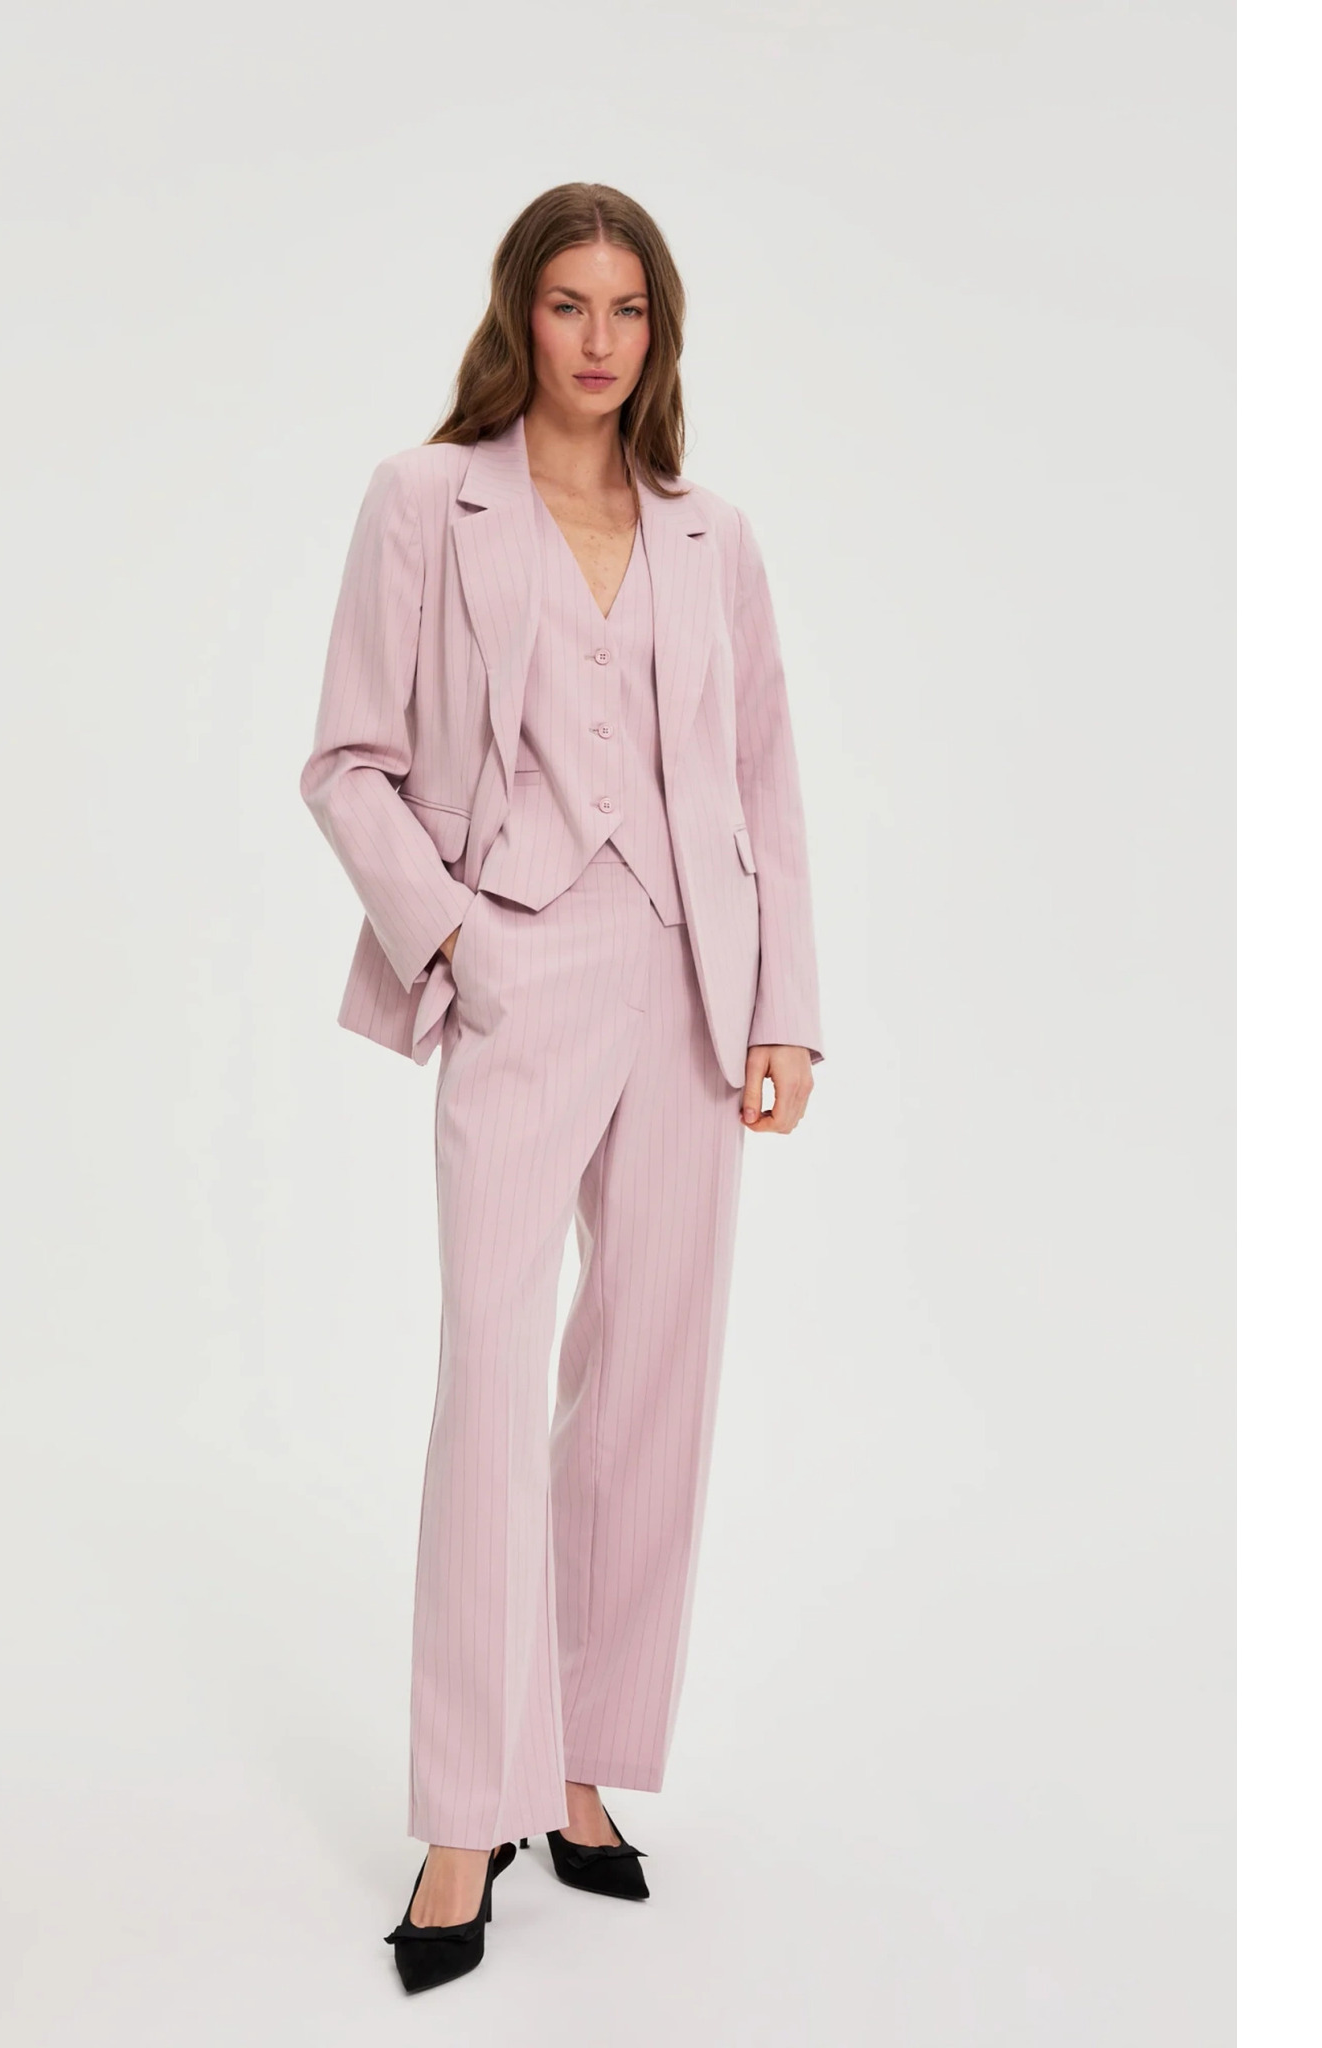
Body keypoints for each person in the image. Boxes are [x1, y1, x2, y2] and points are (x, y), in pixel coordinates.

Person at [300, 181, 823, 1994]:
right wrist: (458, 936)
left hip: (690, 980)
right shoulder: (424, 500)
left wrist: (784, 1011)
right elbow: (348, 761)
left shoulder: (712, 537)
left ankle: (581, 1763)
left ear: (659, 333)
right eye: (569, 304)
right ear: (518, 312)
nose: (600, 340)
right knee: (493, 1371)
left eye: (630, 310)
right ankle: (469, 1807)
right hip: (519, 965)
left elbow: (764, 782)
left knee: (649, 1383)